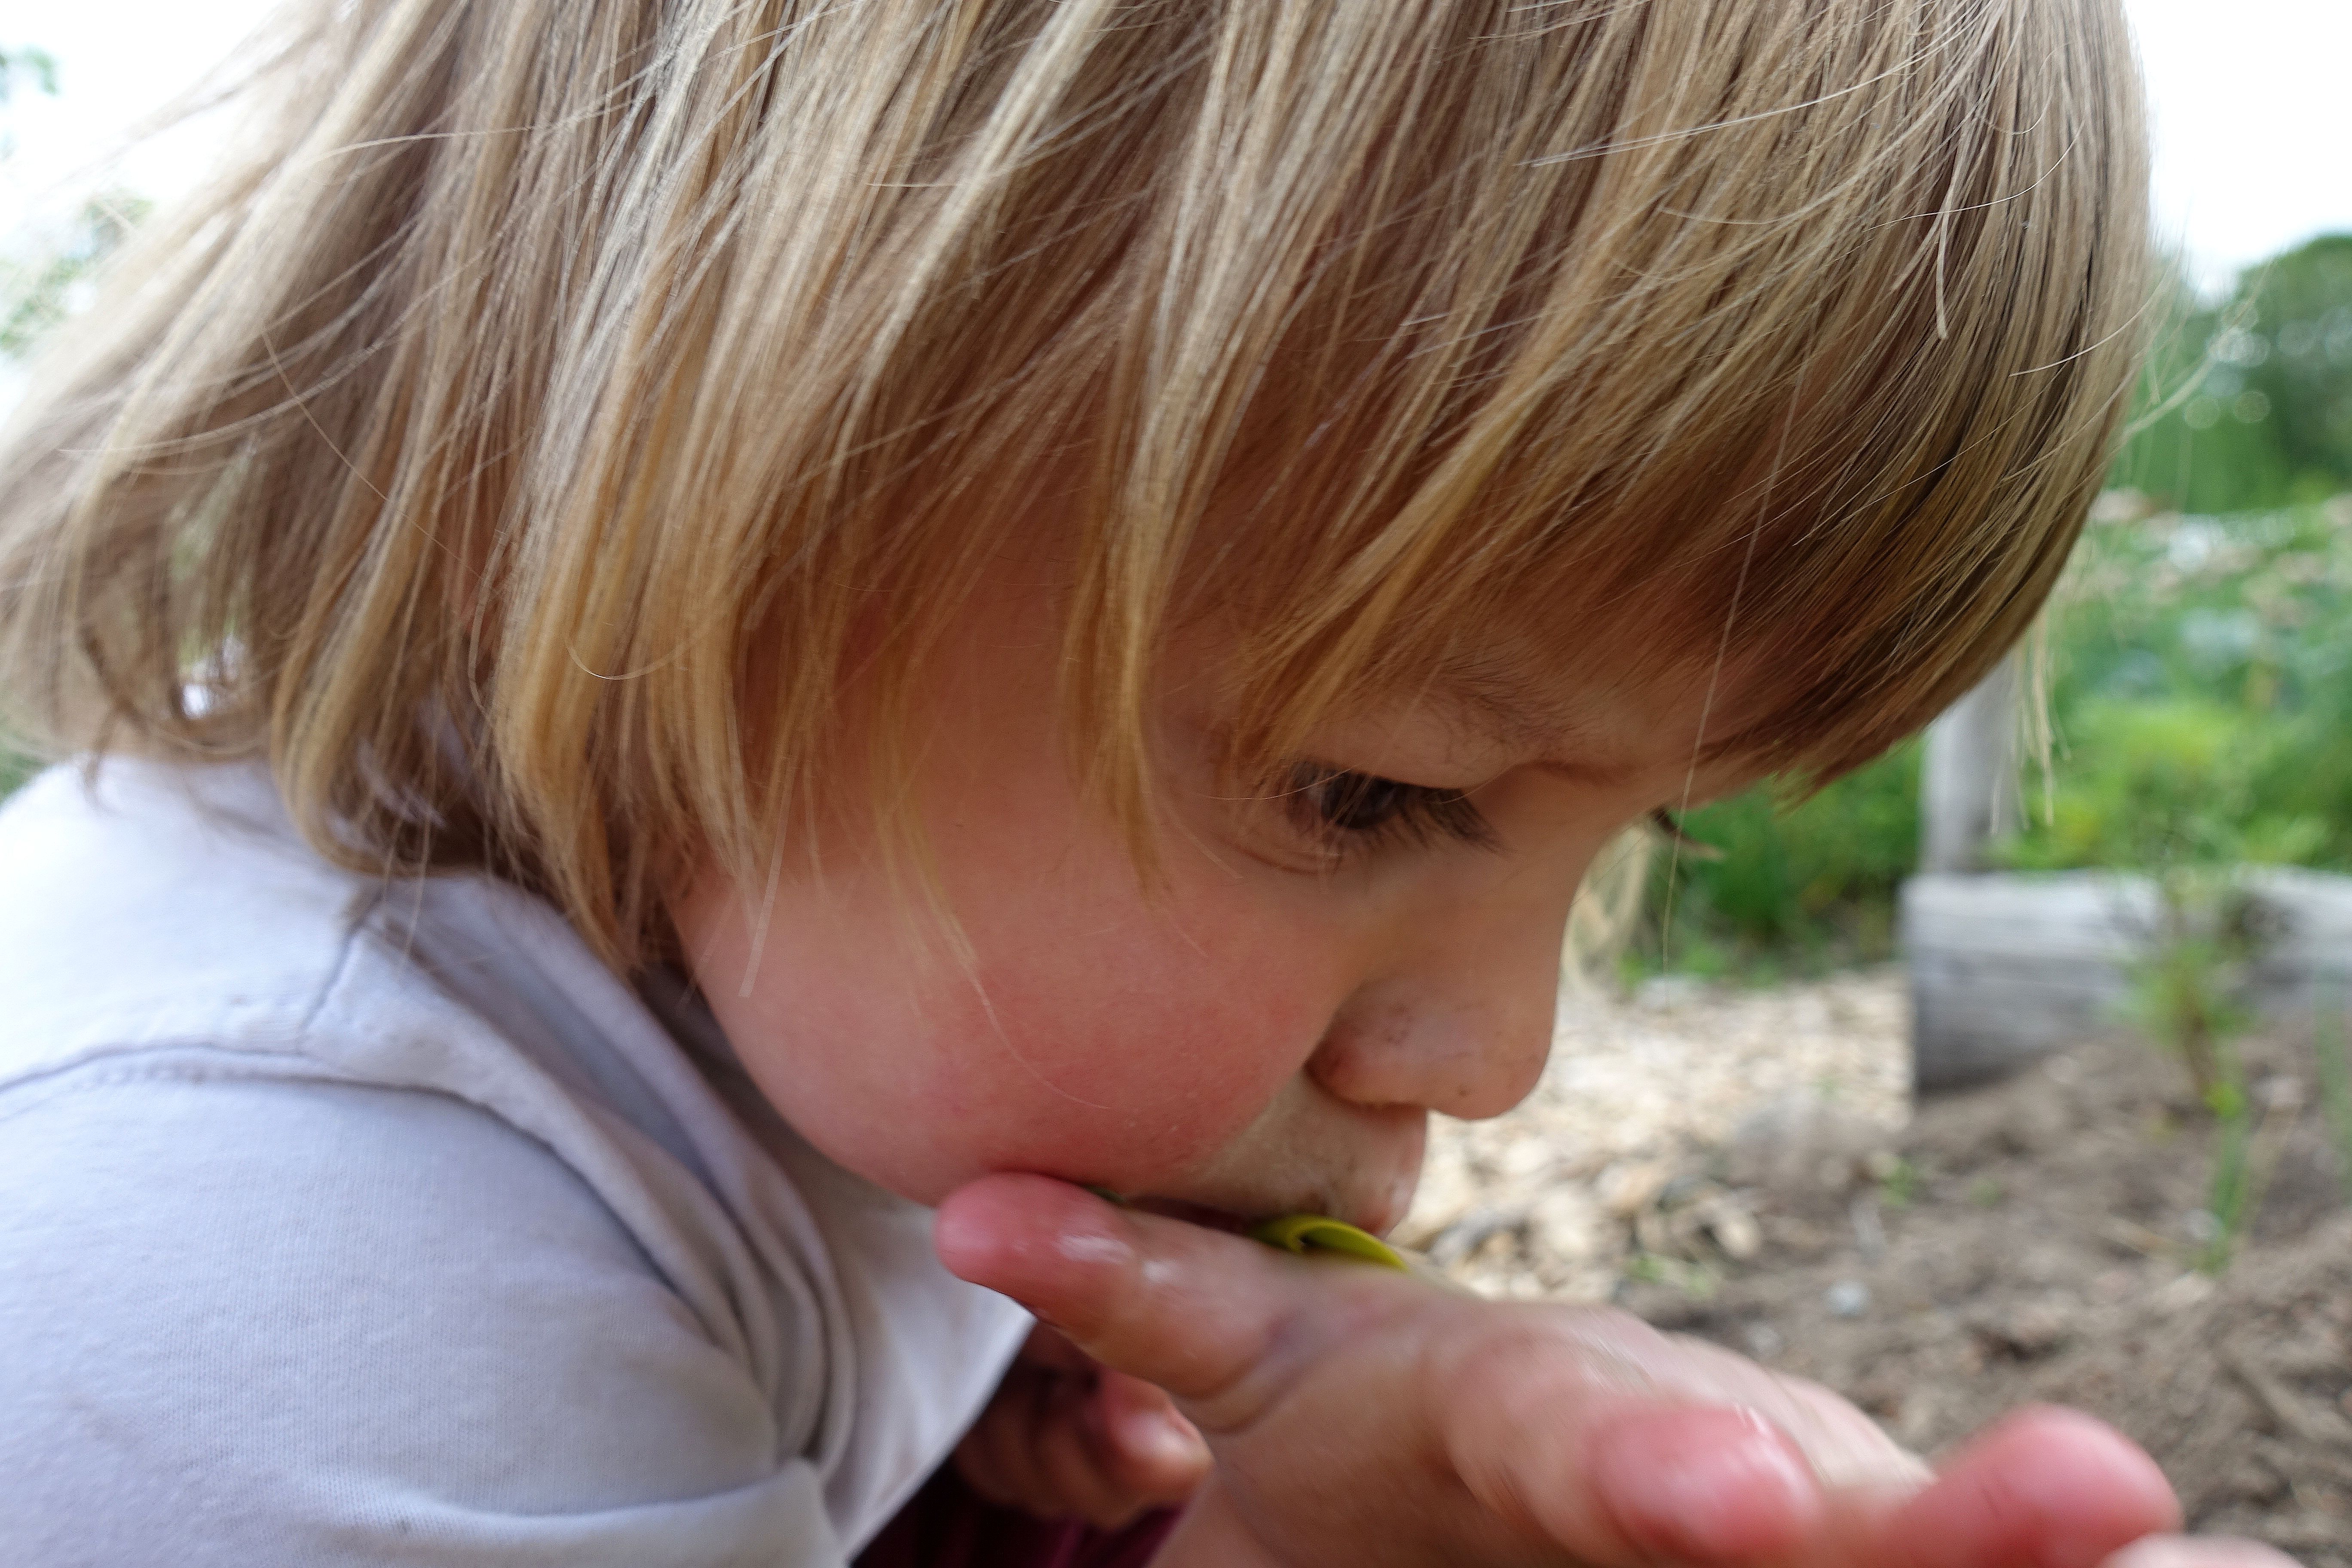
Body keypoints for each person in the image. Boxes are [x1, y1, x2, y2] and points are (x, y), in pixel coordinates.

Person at [0, 1, 2296, 1564]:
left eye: (1647, 832)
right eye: (1377, 796)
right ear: (618, 480)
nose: (1500, 1062)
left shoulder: (798, 963)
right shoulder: (267, 1263)